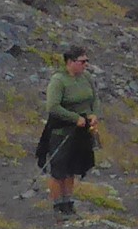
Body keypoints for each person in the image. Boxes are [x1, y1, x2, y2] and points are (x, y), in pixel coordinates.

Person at [33, 46, 98, 215]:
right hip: (61, 130)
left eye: (86, 61)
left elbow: (95, 98)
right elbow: (53, 107)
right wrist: (74, 118)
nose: (85, 65)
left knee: (72, 167)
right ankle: (57, 204)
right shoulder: (58, 80)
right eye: (82, 61)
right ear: (70, 62)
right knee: (59, 169)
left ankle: (68, 202)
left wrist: (94, 114)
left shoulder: (86, 77)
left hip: (81, 131)